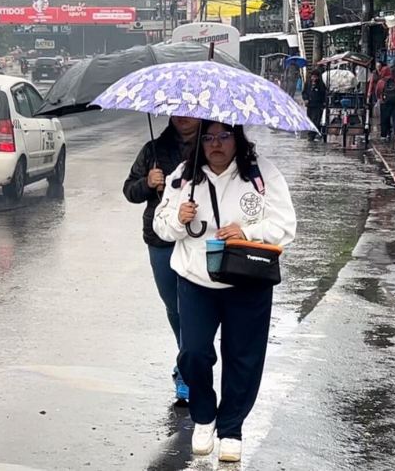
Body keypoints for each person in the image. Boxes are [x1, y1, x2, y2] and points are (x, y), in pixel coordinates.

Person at [152, 119, 296, 462]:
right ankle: (204, 417)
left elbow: (285, 226)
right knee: (193, 353)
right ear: (201, 142)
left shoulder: (262, 175)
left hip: (247, 280)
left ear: (237, 138)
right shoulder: (183, 177)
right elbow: (161, 225)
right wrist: (178, 219)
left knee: (243, 358)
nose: (217, 145)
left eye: (224, 137)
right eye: (210, 138)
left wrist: (249, 232)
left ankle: (231, 428)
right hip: (195, 280)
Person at [122, 116, 201, 403]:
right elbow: (129, 190)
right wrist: (146, 182)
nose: (183, 117)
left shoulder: (211, 145)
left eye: (189, 111)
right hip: (161, 239)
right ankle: (187, 358)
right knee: (174, 306)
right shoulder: (153, 150)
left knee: (193, 306)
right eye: (177, 111)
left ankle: (189, 369)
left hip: (198, 239)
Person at [375, 65, 395, 141]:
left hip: (384, 102)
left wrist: (380, 98)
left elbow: (377, 92)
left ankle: (384, 135)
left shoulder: (381, 82)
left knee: (384, 118)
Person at [302, 68, 327, 141]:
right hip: (310, 105)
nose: (313, 78)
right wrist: (305, 99)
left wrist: (323, 103)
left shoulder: (321, 84)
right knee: (310, 120)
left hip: (318, 106)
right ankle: (314, 133)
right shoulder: (308, 83)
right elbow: (304, 92)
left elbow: (323, 94)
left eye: (315, 77)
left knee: (315, 120)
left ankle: (311, 135)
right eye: (312, 76)